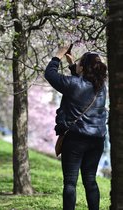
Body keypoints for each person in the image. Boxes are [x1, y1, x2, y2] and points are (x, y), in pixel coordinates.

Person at [45, 46, 107, 210]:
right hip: (97, 139)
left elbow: (50, 74)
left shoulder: (73, 84)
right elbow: (82, 86)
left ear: (83, 68)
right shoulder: (102, 87)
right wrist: (73, 65)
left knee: (70, 182)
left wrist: (57, 56)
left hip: (75, 140)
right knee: (90, 179)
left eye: (79, 63)